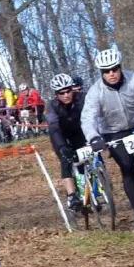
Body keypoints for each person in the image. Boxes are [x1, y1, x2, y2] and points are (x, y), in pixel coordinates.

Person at [81, 45, 134, 232]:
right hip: (113, 131)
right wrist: (93, 137)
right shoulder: (96, 91)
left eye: (115, 68)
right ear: (101, 72)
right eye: (106, 71)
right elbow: (88, 118)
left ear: (120, 67)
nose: (112, 73)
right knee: (127, 167)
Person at [45, 73, 88, 212]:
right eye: (61, 93)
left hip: (78, 131)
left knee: (87, 157)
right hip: (61, 134)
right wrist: (62, 146)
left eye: (68, 91)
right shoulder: (52, 106)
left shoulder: (82, 98)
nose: (66, 95)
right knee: (66, 160)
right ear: (56, 94)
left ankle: (94, 189)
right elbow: (54, 127)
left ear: (72, 89)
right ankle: (71, 195)